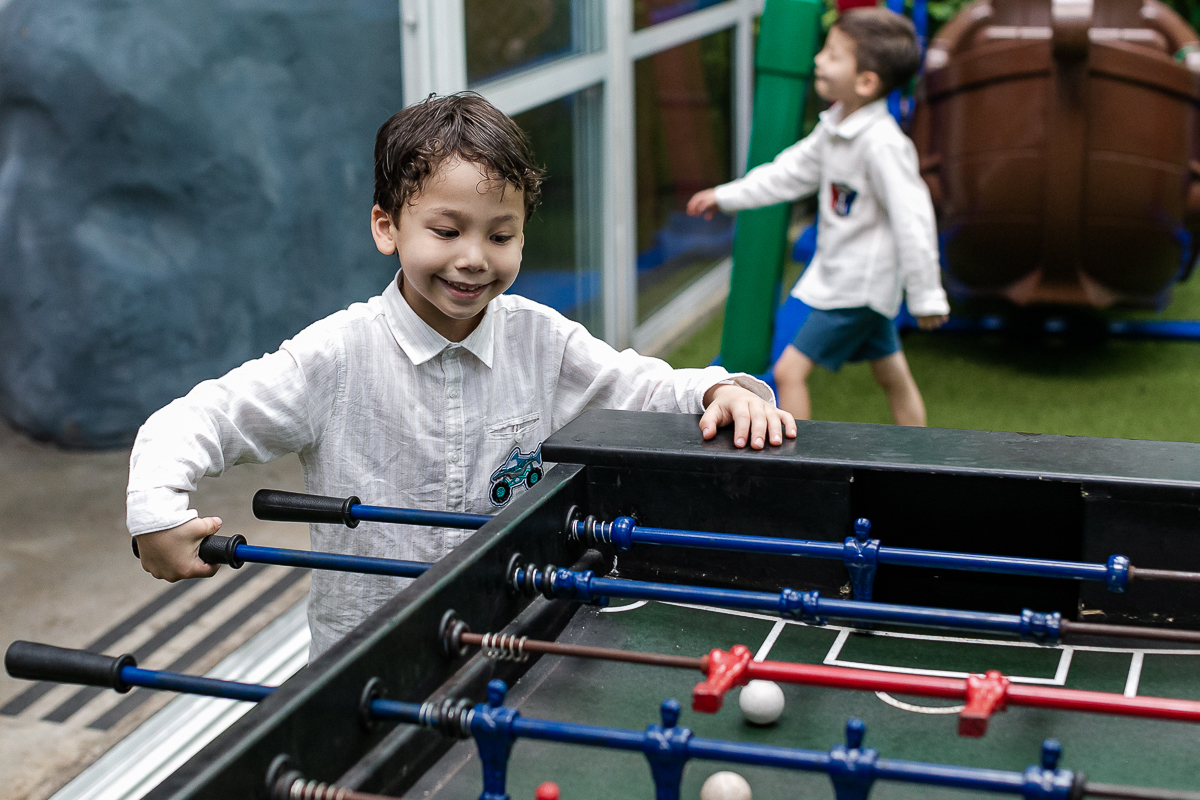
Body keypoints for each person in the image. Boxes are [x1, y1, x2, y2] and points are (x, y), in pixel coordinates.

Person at [127, 93, 796, 658]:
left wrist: (718, 388)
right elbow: (196, 420)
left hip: (516, 643)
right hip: (367, 660)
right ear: (387, 228)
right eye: (446, 231)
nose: (474, 258)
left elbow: (640, 385)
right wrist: (155, 510)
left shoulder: (543, 340)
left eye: (500, 236)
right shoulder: (332, 357)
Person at [687, 8, 949, 426]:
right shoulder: (835, 127)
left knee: (789, 372)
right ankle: (916, 456)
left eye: (832, 54)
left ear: (866, 81)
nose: (818, 61)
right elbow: (787, 174)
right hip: (845, 277)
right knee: (891, 374)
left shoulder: (882, 145)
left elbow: (912, 219)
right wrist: (726, 195)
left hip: (855, 286)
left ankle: (799, 465)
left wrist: (926, 295)